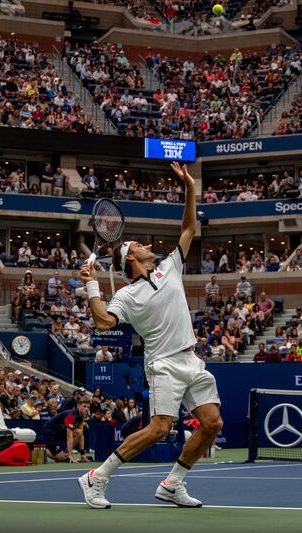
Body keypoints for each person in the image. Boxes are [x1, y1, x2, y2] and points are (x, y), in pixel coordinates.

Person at [78, 162, 222, 509]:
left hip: (191, 359)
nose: (145, 245)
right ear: (131, 260)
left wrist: (189, 187)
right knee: (159, 428)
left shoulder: (169, 266)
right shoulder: (127, 295)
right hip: (164, 365)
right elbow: (103, 323)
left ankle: (172, 484)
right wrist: (92, 285)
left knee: (212, 423)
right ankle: (96, 478)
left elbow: (189, 227)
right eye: (138, 245)